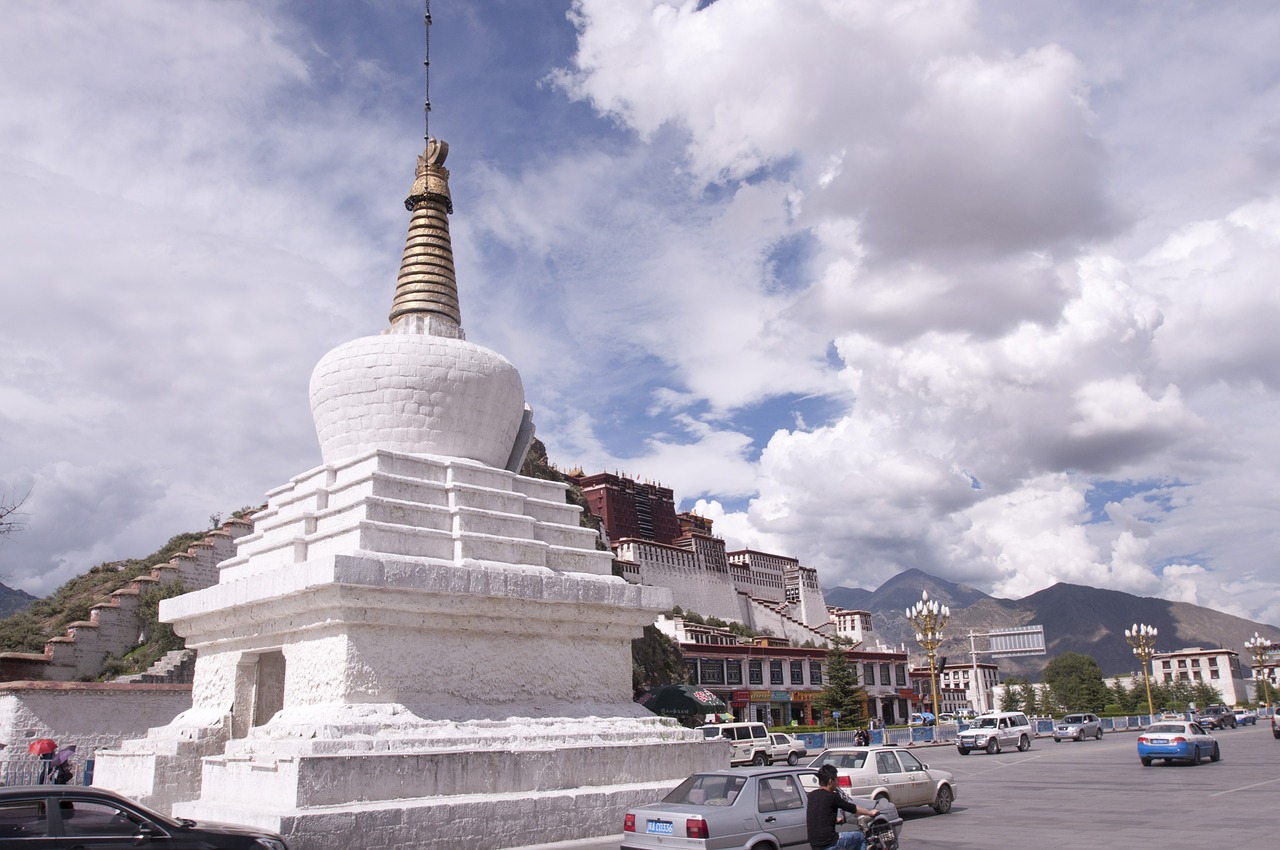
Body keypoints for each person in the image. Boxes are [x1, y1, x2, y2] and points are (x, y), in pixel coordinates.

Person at [806, 763, 879, 850]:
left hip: (815, 845)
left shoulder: (811, 796)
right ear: (830, 781)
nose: (837, 783)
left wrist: (835, 820)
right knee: (861, 837)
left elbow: (819, 814)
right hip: (830, 843)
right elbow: (853, 808)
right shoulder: (832, 796)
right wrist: (870, 812)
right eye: (836, 780)